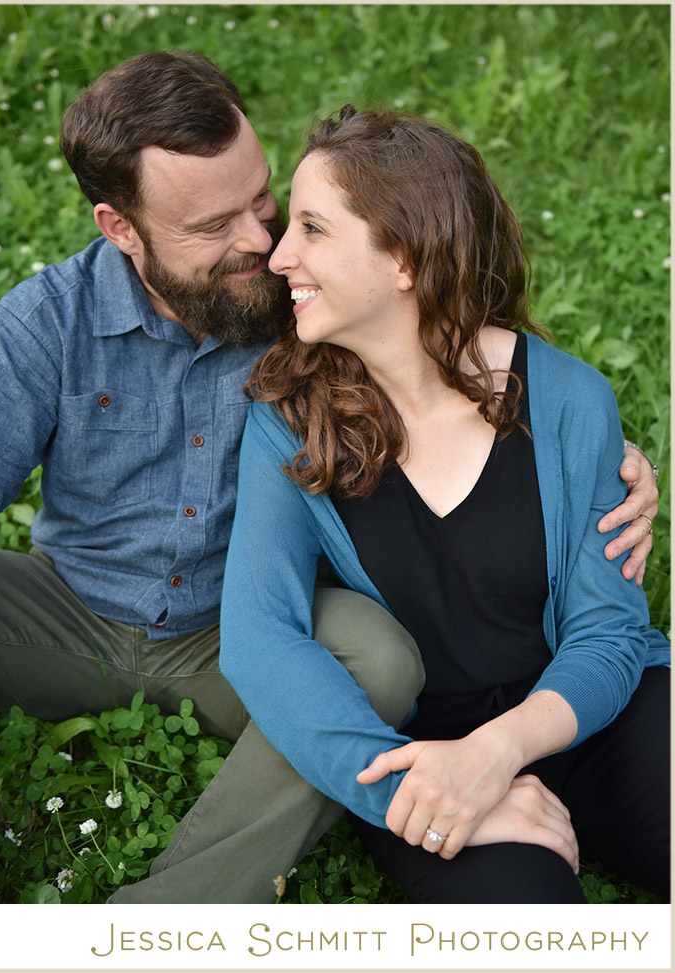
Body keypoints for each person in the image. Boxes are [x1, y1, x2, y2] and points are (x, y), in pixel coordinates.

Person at [0, 51, 659, 903]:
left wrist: (612, 467)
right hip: (78, 606)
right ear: (121, 227)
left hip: (264, 641)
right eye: (211, 226)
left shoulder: (324, 319)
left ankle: (164, 916)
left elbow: (461, 349)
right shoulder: (64, 328)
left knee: (373, 661)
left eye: (265, 201)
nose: (263, 247)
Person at [220, 106, 669, 903]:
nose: (279, 253)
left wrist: (496, 752)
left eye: (314, 230)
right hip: (421, 754)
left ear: (403, 258)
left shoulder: (567, 398)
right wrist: (407, 792)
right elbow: (259, 638)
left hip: (594, 714)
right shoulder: (287, 417)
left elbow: (609, 632)